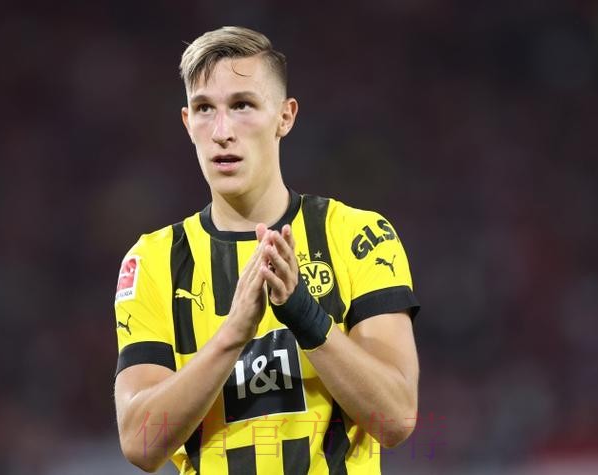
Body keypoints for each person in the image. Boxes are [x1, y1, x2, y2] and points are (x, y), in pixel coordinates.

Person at [113, 26, 420, 474]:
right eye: (204, 109)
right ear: (187, 123)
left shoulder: (359, 236)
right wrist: (233, 333)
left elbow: (395, 419)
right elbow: (141, 444)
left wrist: (304, 314)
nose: (222, 132)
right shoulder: (153, 261)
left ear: (285, 117)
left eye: (242, 105)